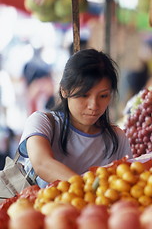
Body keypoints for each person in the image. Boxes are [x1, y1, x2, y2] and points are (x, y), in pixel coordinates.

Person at [17, 49, 132, 188]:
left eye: (103, 96)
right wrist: (90, 189)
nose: (93, 105)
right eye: (84, 95)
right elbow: (42, 164)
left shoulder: (117, 138)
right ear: (64, 90)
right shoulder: (42, 122)